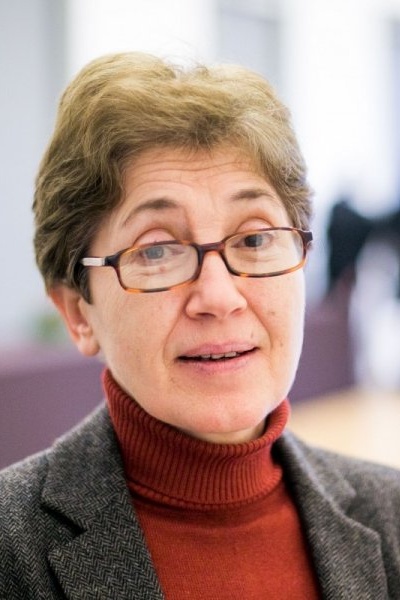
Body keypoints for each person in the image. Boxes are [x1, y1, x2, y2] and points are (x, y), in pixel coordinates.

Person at [0, 52, 399, 600]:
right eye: (156, 250)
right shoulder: (12, 549)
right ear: (77, 312)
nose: (219, 297)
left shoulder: (391, 515)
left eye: (254, 238)